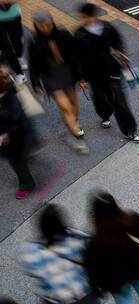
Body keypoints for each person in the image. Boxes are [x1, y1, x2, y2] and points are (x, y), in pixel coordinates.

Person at [20, 204, 112, 304]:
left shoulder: (33, 251)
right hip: (82, 292)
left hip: (56, 298)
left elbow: (30, 269)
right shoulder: (76, 239)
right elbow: (90, 248)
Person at [74, 2, 139, 143]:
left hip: (111, 69)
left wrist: (122, 53)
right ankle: (104, 114)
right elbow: (78, 58)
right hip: (93, 73)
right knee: (100, 98)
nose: (83, 20)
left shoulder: (107, 27)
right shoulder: (79, 34)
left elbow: (117, 42)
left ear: (91, 16)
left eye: (84, 17)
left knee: (120, 100)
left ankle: (130, 130)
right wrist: (81, 78)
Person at [28, 11, 88, 154]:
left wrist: (82, 77)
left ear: (52, 23)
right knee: (64, 105)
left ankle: (73, 123)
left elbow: (75, 56)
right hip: (49, 76)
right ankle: (76, 131)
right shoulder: (34, 41)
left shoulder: (63, 34)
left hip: (67, 72)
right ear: (36, 26)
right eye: (41, 26)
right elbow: (33, 64)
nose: (45, 29)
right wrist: (36, 83)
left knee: (73, 103)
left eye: (48, 25)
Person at [0, 65, 36, 199]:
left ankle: (27, 184)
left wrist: (5, 134)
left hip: (14, 134)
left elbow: (16, 118)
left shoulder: (8, 97)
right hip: (10, 134)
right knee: (16, 158)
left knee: (16, 160)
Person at [0, 1, 25, 82]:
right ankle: (19, 73)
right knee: (5, 46)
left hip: (14, 17)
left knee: (17, 41)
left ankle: (19, 57)